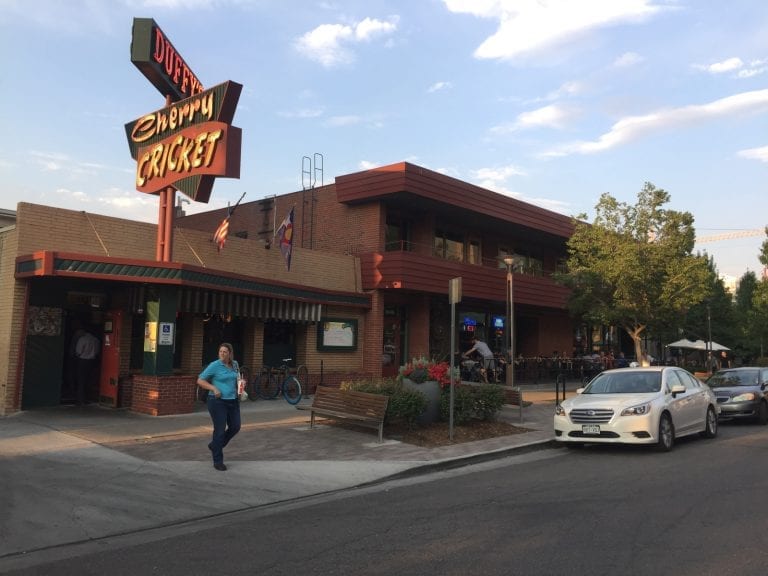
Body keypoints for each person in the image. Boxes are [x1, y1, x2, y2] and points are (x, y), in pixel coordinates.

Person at [197, 343, 242, 471]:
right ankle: (218, 461)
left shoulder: (235, 365)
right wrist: (213, 388)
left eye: (225, 352)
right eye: (220, 351)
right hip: (217, 402)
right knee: (220, 430)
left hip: (233, 400)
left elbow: (237, 379)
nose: (222, 354)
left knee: (235, 426)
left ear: (230, 353)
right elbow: (200, 380)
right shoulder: (214, 365)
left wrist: (241, 383)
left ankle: (215, 445)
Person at [74, 327, 99, 406]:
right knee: (89, 380)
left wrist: (78, 356)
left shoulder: (82, 339)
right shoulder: (96, 340)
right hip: (91, 361)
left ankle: (80, 400)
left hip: (82, 361)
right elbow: (97, 351)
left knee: (81, 381)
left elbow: (78, 351)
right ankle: (87, 399)